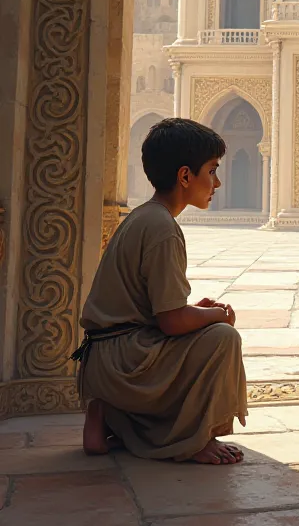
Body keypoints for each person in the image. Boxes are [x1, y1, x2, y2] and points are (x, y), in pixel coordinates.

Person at [74, 117, 247, 465]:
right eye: (211, 171)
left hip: (100, 362)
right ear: (185, 176)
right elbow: (170, 321)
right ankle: (191, 439)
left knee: (203, 328)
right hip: (127, 364)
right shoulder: (163, 229)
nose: (217, 182)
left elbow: (151, 310)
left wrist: (192, 312)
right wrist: (217, 314)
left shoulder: (142, 217)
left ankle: (107, 414)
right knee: (223, 338)